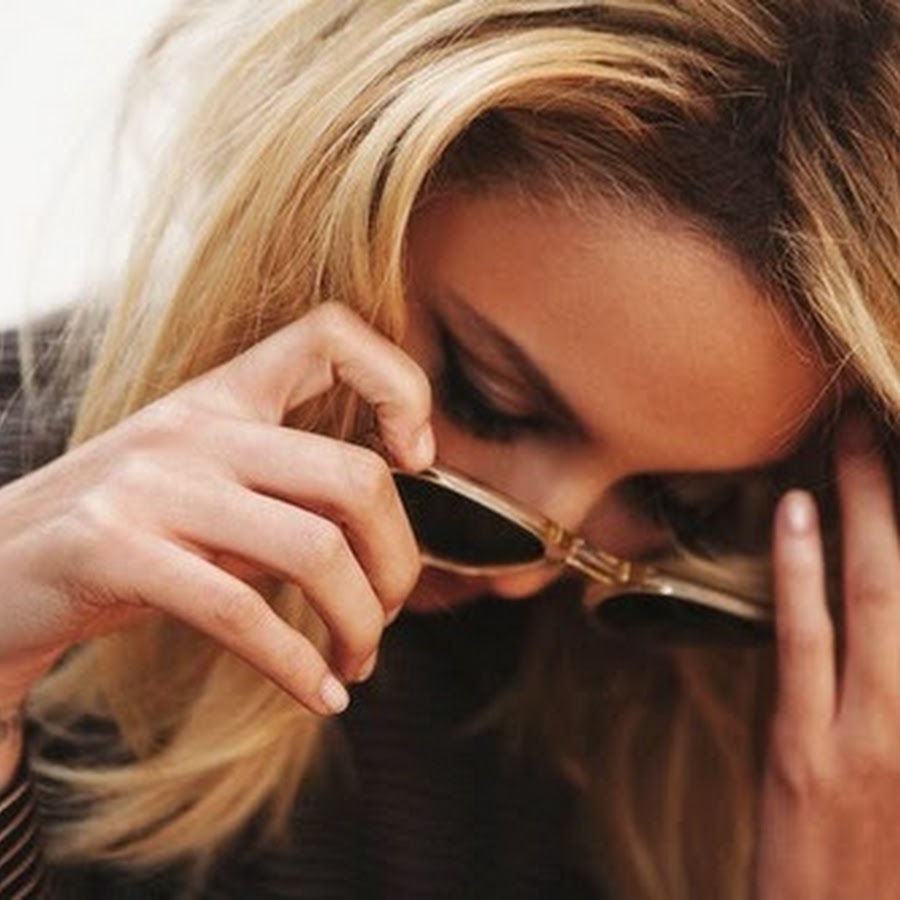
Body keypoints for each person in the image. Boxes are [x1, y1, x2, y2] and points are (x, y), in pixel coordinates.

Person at [0, 0, 898, 897]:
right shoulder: (35, 521)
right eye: (487, 397)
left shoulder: (782, 729)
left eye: (676, 501)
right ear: (328, 205)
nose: (528, 573)